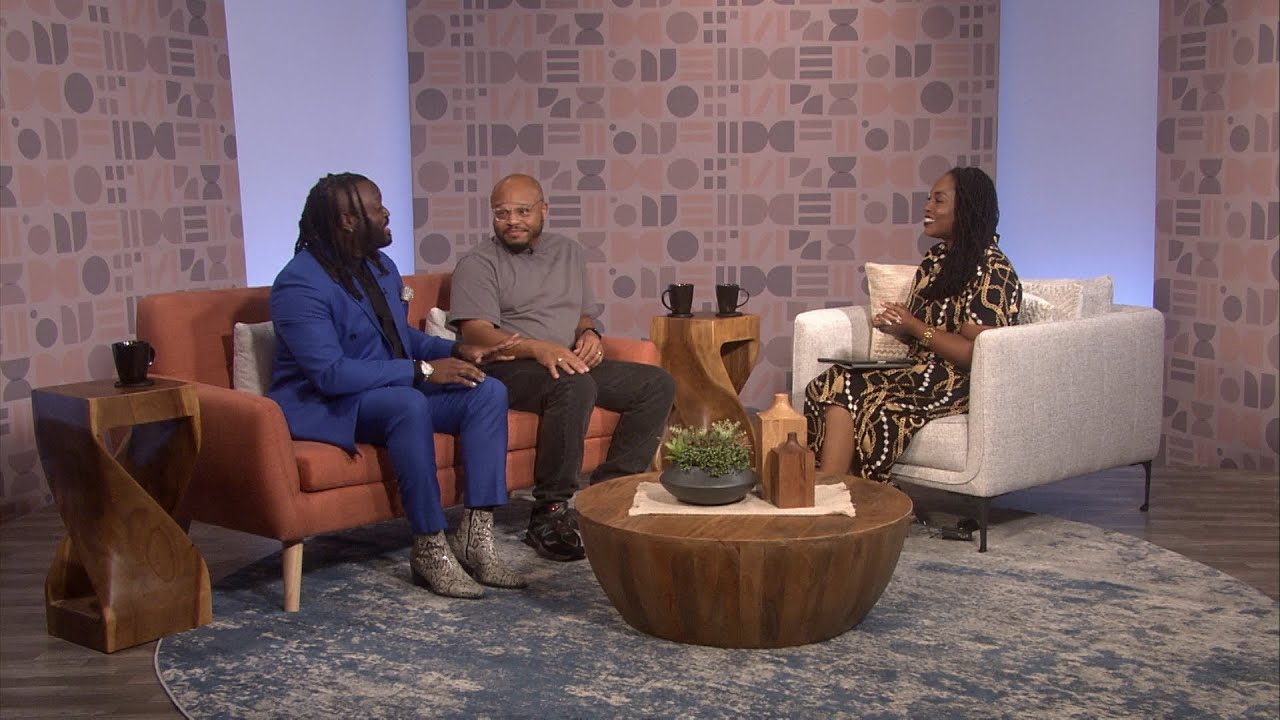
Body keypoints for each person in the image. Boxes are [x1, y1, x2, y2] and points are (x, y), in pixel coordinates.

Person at [268, 172, 525, 599]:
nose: (387, 213)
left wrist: (459, 350)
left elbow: (397, 337)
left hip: (385, 390)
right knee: (407, 404)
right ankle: (429, 545)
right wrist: (422, 371)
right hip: (327, 403)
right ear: (348, 220)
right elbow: (330, 374)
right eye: (377, 207)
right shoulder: (300, 284)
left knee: (487, 391)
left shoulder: (379, 266)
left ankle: (475, 537)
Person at [449, 173, 676, 562]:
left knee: (656, 384)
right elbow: (477, 333)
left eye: (523, 211)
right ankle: (549, 512)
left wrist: (590, 335)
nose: (512, 221)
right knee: (574, 384)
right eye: (502, 213)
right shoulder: (478, 263)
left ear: (543, 210)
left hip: (564, 360)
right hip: (508, 366)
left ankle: (609, 494)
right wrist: (538, 349)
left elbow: (582, 315)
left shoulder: (569, 252)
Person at [804, 166, 1021, 481]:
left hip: (958, 382)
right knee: (832, 380)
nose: (927, 207)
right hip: (920, 369)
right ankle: (831, 484)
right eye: (929, 199)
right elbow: (923, 331)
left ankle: (849, 490)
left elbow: (976, 354)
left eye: (939, 200)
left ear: (966, 209)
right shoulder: (935, 261)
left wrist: (915, 326)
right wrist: (899, 327)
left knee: (872, 403)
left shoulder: (993, 272)